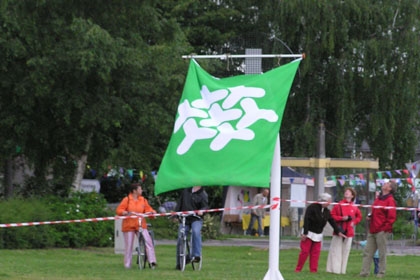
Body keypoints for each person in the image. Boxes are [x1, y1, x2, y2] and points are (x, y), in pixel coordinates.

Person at [295, 193, 347, 273]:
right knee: (305, 252)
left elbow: (332, 221)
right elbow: (306, 220)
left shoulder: (327, 211)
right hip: (308, 232)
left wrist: (338, 231)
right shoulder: (312, 207)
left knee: (315, 253)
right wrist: (305, 233)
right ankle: (298, 269)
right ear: (323, 201)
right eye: (328, 201)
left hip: (318, 234)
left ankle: (313, 270)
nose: (329, 203)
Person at [359, 180, 397, 278]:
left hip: (382, 230)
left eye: (387, 184)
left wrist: (385, 229)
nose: (384, 184)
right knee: (367, 252)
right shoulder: (378, 198)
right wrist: (370, 216)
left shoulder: (390, 200)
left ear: (390, 189)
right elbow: (375, 211)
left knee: (381, 252)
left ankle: (381, 273)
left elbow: (391, 217)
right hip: (373, 229)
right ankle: (364, 273)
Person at [116, 183, 157, 269]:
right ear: (134, 191)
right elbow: (119, 210)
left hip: (141, 224)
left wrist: (152, 212)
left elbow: (148, 209)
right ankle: (127, 264)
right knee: (129, 245)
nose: (141, 190)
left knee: (148, 241)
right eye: (140, 189)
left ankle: (152, 261)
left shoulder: (143, 200)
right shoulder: (127, 199)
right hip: (129, 225)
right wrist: (124, 212)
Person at [326, 187, 362, 274]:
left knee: (345, 251)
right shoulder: (339, 204)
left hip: (349, 231)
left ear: (352, 195)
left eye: (349, 192)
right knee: (336, 250)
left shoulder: (354, 206)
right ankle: (334, 269)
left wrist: (354, 222)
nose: (347, 193)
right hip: (339, 230)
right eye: (346, 191)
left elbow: (359, 216)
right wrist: (341, 218)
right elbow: (332, 215)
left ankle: (342, 270)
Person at [175, 186, 208, 270]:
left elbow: (205, 207)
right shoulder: (186, 191)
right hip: (185, 218)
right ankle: (179, 262)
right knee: (180, 237)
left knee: (196, 231)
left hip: (196, 218)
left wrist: (202, 211)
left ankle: (196, 255)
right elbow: (180, 203)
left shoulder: (203, 194)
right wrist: (176, 214)